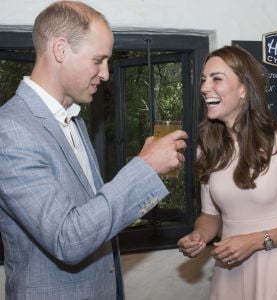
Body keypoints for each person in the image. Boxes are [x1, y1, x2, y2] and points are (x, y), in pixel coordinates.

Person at [0, 1, 188, 299]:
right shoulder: (10, 130)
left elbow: (92, 219)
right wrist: (145, 167)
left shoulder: (74, 122)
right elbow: (67, 239)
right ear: (61, 50)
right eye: (98, 60)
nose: (106, 74)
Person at [177, 45, 277, 300]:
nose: (204, 88)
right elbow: (210, 216)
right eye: (203, 80)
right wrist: (198, 235)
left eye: (216, 79)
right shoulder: (207, 149)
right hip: (228, 274)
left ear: (243, 88)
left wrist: (256, 241)